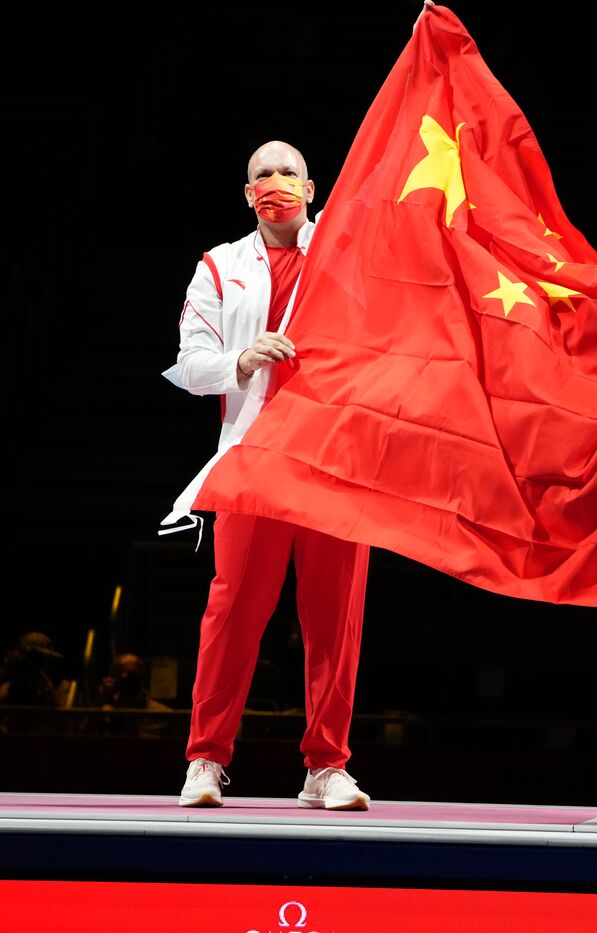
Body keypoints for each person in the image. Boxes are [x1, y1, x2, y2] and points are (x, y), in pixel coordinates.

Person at [169, 140, 371, 810]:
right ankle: (205, 760)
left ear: (312, 188)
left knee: (333, 618)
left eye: (287, 172)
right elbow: (190, 365)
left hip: (333, 460)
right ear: (246, 192)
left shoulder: (350, 255)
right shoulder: (219, 266)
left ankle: (326, 768)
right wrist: (242, 359)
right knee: (232, 612)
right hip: (254, 458)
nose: (275, 182)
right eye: (262, 174)